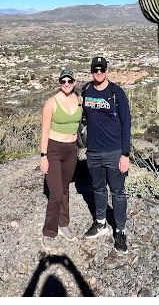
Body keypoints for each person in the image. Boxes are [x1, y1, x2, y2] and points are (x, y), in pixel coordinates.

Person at [81, 56, 131, 254]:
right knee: (98, 189)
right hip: (93, 151)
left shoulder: (116, 93)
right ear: (92, 71)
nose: (99, 73)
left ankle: (120, 231)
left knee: (118, 192)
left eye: (102, 70)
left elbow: (126, 124)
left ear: (107, 71)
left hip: (114, 152)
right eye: (96, 70)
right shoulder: (86, 90)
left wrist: (125, 154)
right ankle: (101, 222)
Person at [39, 67, 82, 250]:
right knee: (56, 194)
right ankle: (49, 231)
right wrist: (43, 156)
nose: (66, 84)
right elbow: (44, 131)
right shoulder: (51, 103)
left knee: (65, 189)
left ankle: (64, 223)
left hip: (71, 150)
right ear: (59, 83)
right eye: (63, 81)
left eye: (69, 81)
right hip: (54, 150)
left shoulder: (79, 100)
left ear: (74, 82)